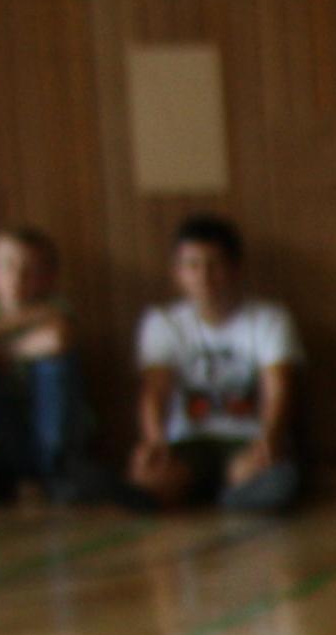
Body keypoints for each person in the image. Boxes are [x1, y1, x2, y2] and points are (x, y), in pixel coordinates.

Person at [126, 214, 299, 513]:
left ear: (236, 268)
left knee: (266, 478)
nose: (204, 277)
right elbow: (155, 390)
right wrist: (155, 441)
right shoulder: (163, 322)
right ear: (177, 272)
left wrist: (269, 439)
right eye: (192, 266)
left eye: (214, 265)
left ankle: (235, 496)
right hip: (189, 442)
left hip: (245, 439)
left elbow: (278, 389)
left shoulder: (269, 319)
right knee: (150, 480)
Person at [0, 226, 93, 505]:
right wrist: (20, 319)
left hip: (45, 420)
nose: (18, 278)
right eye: (9, 266)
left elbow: (58, 340)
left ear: (49, 279)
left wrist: (3, 352)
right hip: (3, 422)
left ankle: (57, 468)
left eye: (30, 270)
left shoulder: (54, 305)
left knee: (58, 363)